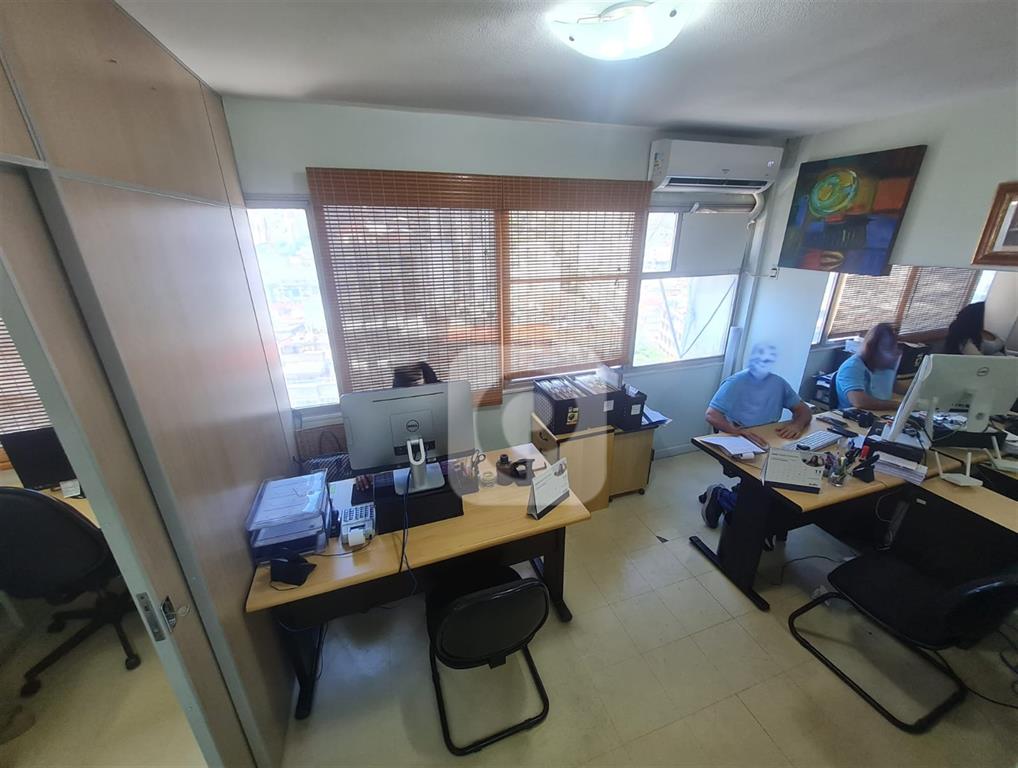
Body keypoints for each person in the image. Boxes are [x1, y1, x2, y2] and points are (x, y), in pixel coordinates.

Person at [699, 343, 812, 528]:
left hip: (769, 438)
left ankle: (744, 497)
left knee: (791, 474)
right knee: (759, 498)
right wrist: (737, 431)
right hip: (740, 437)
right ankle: (721, 495)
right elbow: (711, 415)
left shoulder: (778, 383)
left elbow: (803, 410)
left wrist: (797, 425)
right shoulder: (736, 382)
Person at [834, 323, 908, 411]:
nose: (894, 352)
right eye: (888, 348)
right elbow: (860, 402)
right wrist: (897, 405)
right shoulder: (852, 367)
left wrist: (916, 394)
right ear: (873, 348)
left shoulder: (884, 363)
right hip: (854, 415)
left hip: (880, 412)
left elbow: (893, 385)